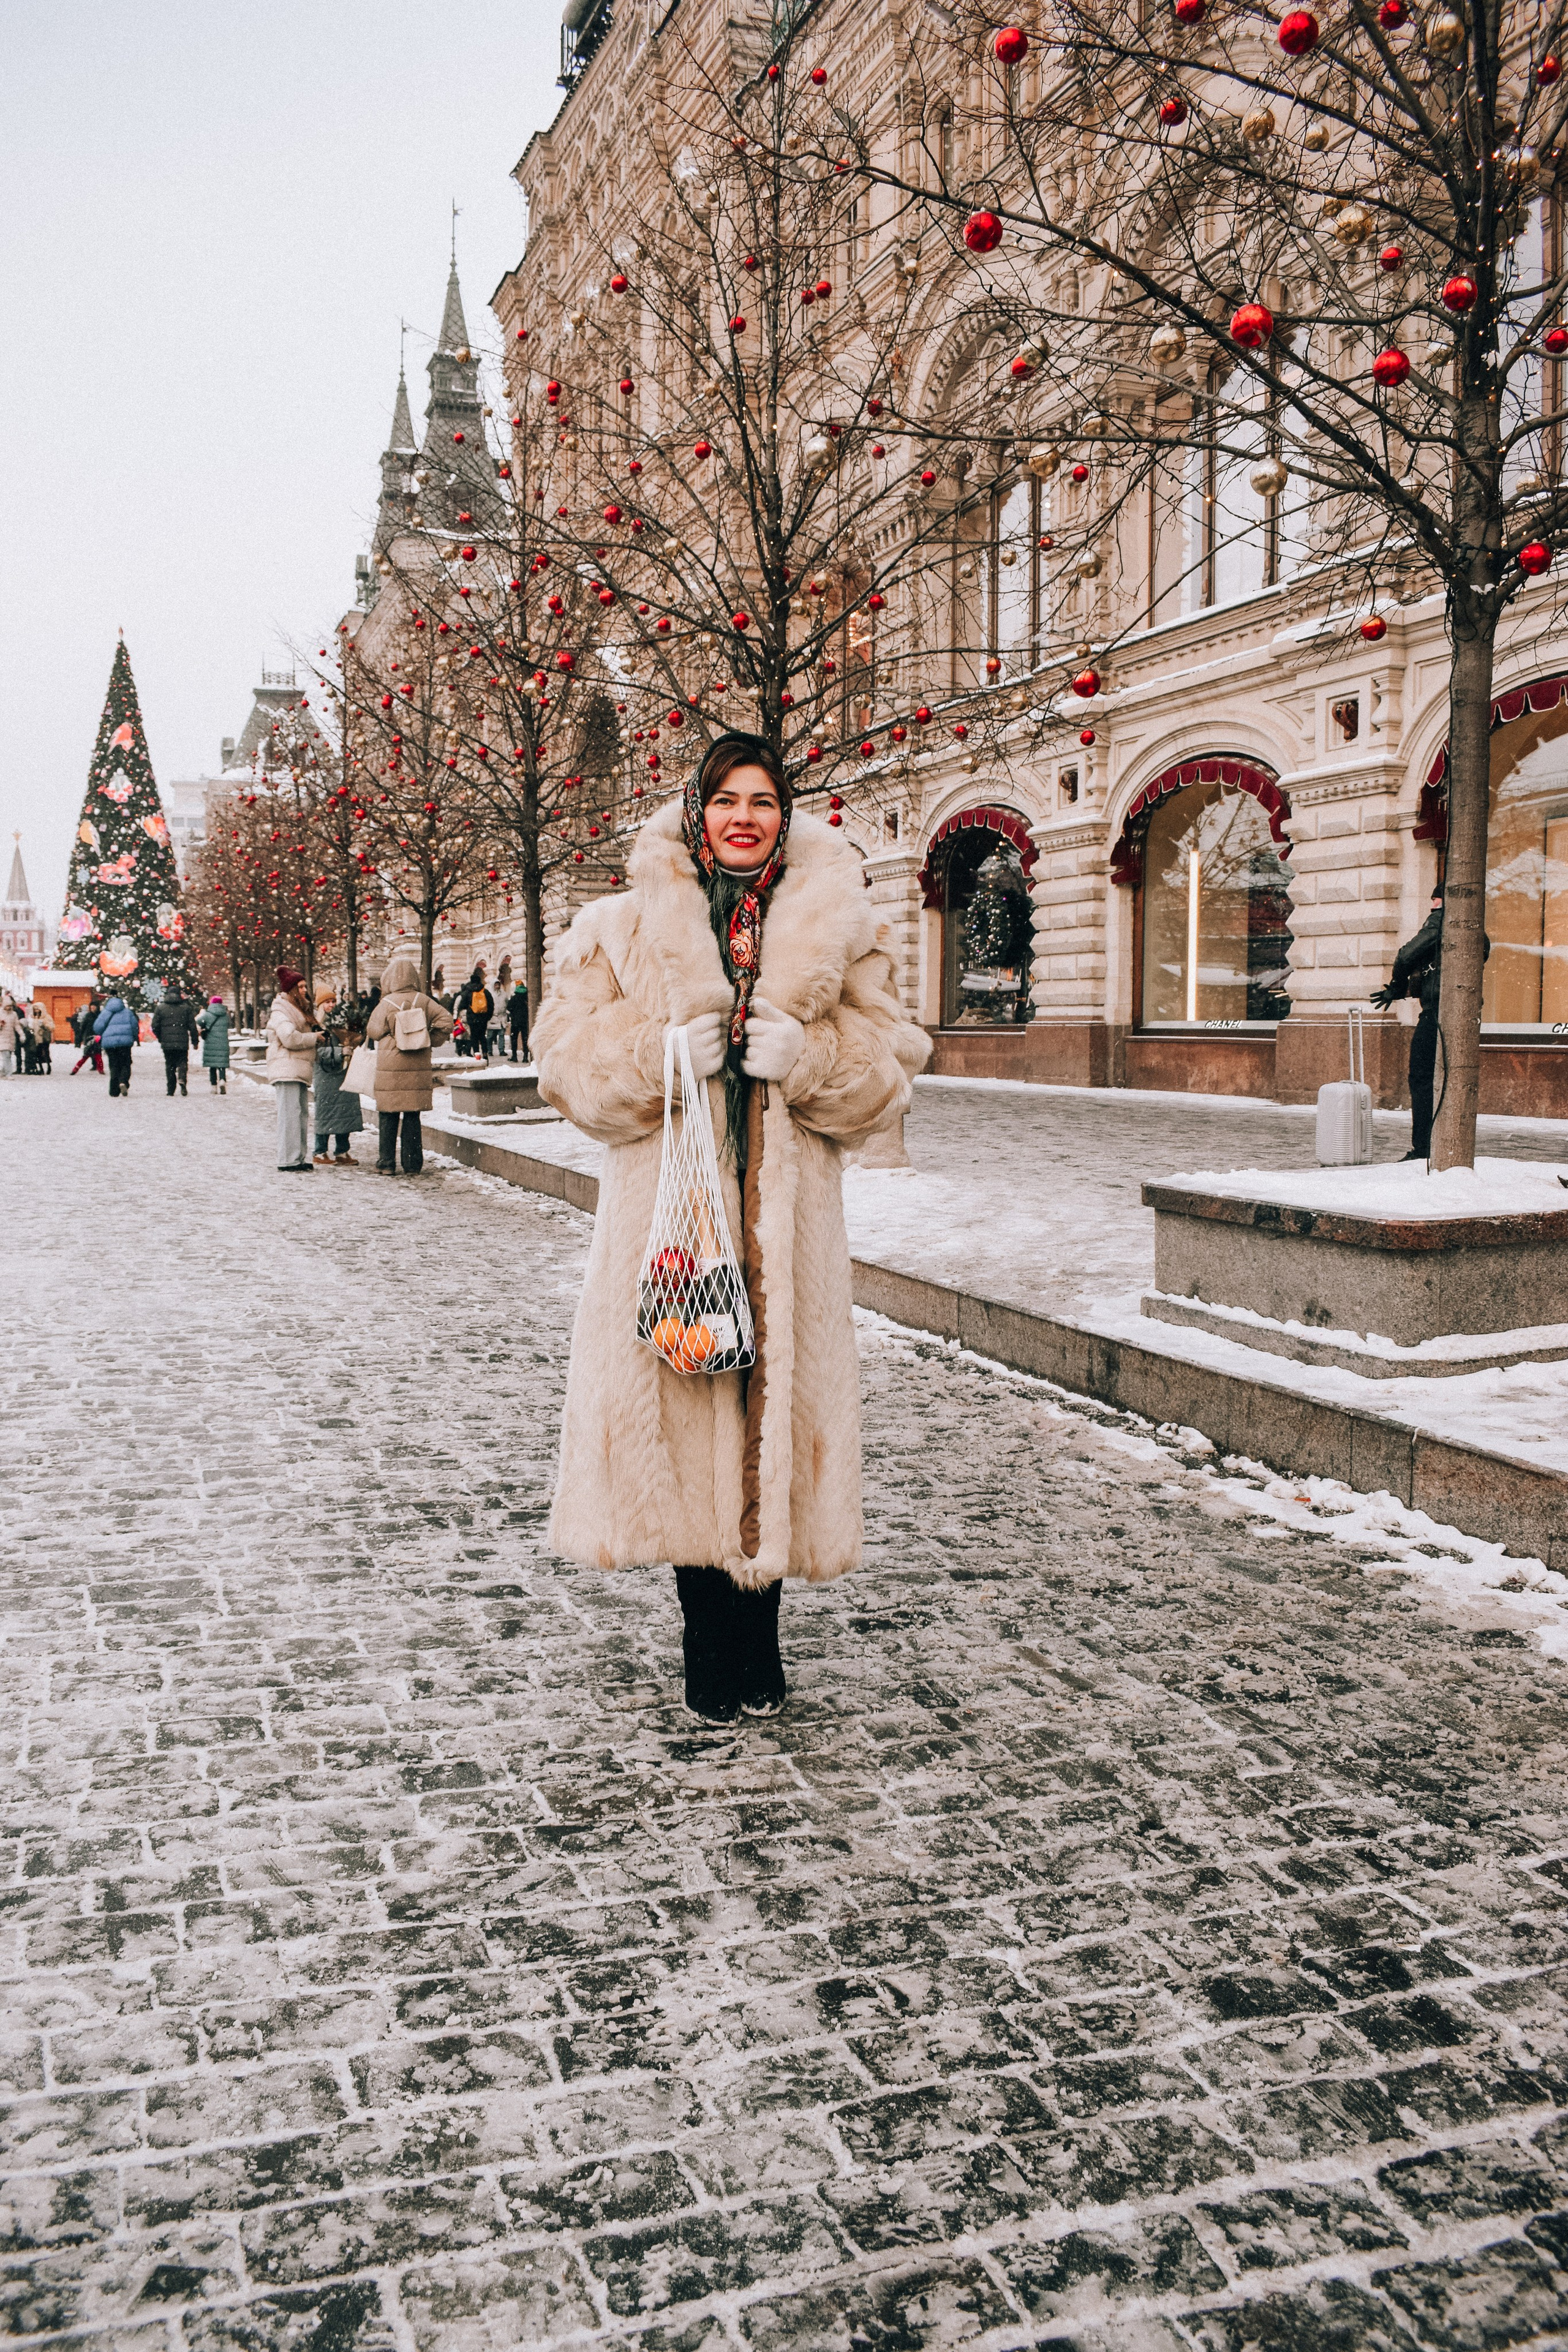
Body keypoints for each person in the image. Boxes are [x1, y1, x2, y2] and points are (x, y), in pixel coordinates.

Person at [534, 732, 929, 1723]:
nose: (744, 816)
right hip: (671, 1228)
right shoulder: (621, 929)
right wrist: (654, 1051)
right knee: (691, 1420)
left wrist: (811, 1056)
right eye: (726, 800)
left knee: (773, 1424)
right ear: (696, 811)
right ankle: (711, 1652)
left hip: (789, 1238)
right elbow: (566, 1070)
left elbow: (886, 1078)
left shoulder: (843, 931)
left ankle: (763, 1651)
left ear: (783, 816)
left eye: (762, 800)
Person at [1372, 883, 1490, 1161]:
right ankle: (1442, 1144)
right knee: (1452, 1079)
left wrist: (1398, 987)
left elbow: (1406, 955)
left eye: (1435, 898)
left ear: (1445, 900)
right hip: (1464, 1015)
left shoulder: (1441, 919)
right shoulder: (1476, 930)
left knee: (1422, 1078)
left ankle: (1423, 1148)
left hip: (1436, 1014)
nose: (1432, 903)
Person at [365, 954, 452, 1174]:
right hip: (417, 1068)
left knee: (388, 1116)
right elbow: (446, 1022)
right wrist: (428, 1039)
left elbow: (373, 1032)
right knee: (413, 1116)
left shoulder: (386, 1004)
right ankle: (413, 1164)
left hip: (390, 1070)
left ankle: (386, 1164)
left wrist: (391, 1031)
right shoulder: (423, 1001)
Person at [264, 965, 320, 1172]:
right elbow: (289, 1037)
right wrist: (313, 1038)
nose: (305, 990)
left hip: (296, 1067)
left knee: (300, 1114)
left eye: (306, 986)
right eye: (301, 986)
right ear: (292, 990)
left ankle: (298, 1157)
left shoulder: (296, 1008)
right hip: (286, 1067)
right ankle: (288, 1159)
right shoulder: (281, 1010)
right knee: (290, 1115)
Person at [309, 984, 364, 1164]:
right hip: (326, 1075)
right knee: (326, 1113)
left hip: (342, 1072)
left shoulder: (340, 1021)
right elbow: (316, 1053)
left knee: (344, 1112)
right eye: (327, 1002)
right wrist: (340, 1052)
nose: (331, 1005)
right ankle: (320, 1151)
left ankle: (342, 1151)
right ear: (320, 1005)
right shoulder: (315, 1025)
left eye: (333, 1001)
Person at [150, 984, 200, 1096]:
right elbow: (192, 1026)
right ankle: (182, 1078)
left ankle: (171, 1089)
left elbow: (154, 1026)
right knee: (183, 1061)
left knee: (170, 1065)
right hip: (182, 1041)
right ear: (179, 995)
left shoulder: (161, 1008)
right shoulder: (186, 1008)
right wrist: (195, 1041)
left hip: (167, 1043)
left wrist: (160, 1037)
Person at [94, 991, 140, 1097]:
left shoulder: (106, 1012)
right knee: (126, 1064)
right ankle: (123, 1081)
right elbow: (135, 1027)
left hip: (110, 1044)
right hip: (125, 1043)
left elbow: (97, 1027)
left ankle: (114, 1091)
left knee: (114, 1065)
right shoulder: (128, 1013)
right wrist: (133, 1037)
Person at [197, 996, 230, 1091]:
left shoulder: (207, 1015)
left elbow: (200, 1022)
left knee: (212, 1065)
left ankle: (214, 1086)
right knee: (221, 1065)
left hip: (211, 1043)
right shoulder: (226, 1015)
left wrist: (205, 1025)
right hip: (223, 1043)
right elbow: (229, 1024)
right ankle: (223, 1080)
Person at [70, 996, 105, 1077]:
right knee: (87, 1054)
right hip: (88, 1037)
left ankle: (100, 1068)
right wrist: (79, 1039)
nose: (92, 1008)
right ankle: (76, 1069)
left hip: (98, 1037)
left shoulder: (101, 1016)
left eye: (94, 1006)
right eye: (91, 1006)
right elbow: (83, 1027)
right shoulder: (88, 1016)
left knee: (98, 1054)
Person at [506, 974, 529, 1063]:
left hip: (515, 1021)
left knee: (514, 1039)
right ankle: (526, 1057)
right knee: (525, 1039)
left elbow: (509, 1008)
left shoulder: (514, 997)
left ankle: (515, 1057)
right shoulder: (527, 996)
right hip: (525, 1021)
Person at [0, 993, 19, 1077]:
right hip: (2, 1037)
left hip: (11, 1038)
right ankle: (9, 1074)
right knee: (6, 1056)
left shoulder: (14, 1014)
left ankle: (3, 1071)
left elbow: (17, 1025)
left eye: (10, 1006)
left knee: (8, 1056)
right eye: (7, 1006)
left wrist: (21, 1034)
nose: (9, 1007)